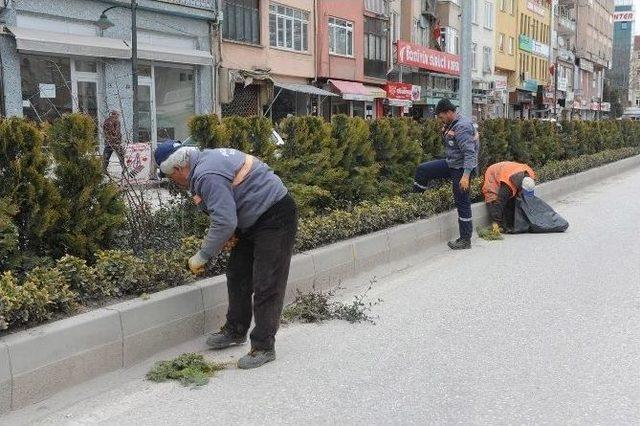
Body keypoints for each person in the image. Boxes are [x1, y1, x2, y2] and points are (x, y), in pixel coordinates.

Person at [154, 142, 298, 369]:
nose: (174, 183)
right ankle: (236, 330)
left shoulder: (205, 174)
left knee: (266, 282)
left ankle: (263, 346)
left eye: (172, 177)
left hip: (275, 216)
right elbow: (226, 211)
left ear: (179, 169)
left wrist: (202, 256)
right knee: (238, 274)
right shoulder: (202, 163)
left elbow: (224, 221)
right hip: (250, 220)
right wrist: (230, 232)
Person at [413, 98, 479, 250]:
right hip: (451, 163)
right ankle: (415, 203)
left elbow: (470, 154)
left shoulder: (462, 127)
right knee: (423, 170)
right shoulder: (451, 123)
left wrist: (465, 176)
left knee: (462, 201)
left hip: (462, 169)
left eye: (441, 116)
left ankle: (465, 239)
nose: (440, 120)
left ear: (449, 112)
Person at [482, 161, 536, 231]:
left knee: (513, 199)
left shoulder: (530, 175)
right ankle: (498, 224)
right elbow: (499, 203)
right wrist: (496, 223)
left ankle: (509, 222)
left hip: (508, 169)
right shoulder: (507, 186)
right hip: (493, 172)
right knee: (493, 197)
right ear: (520, 186)